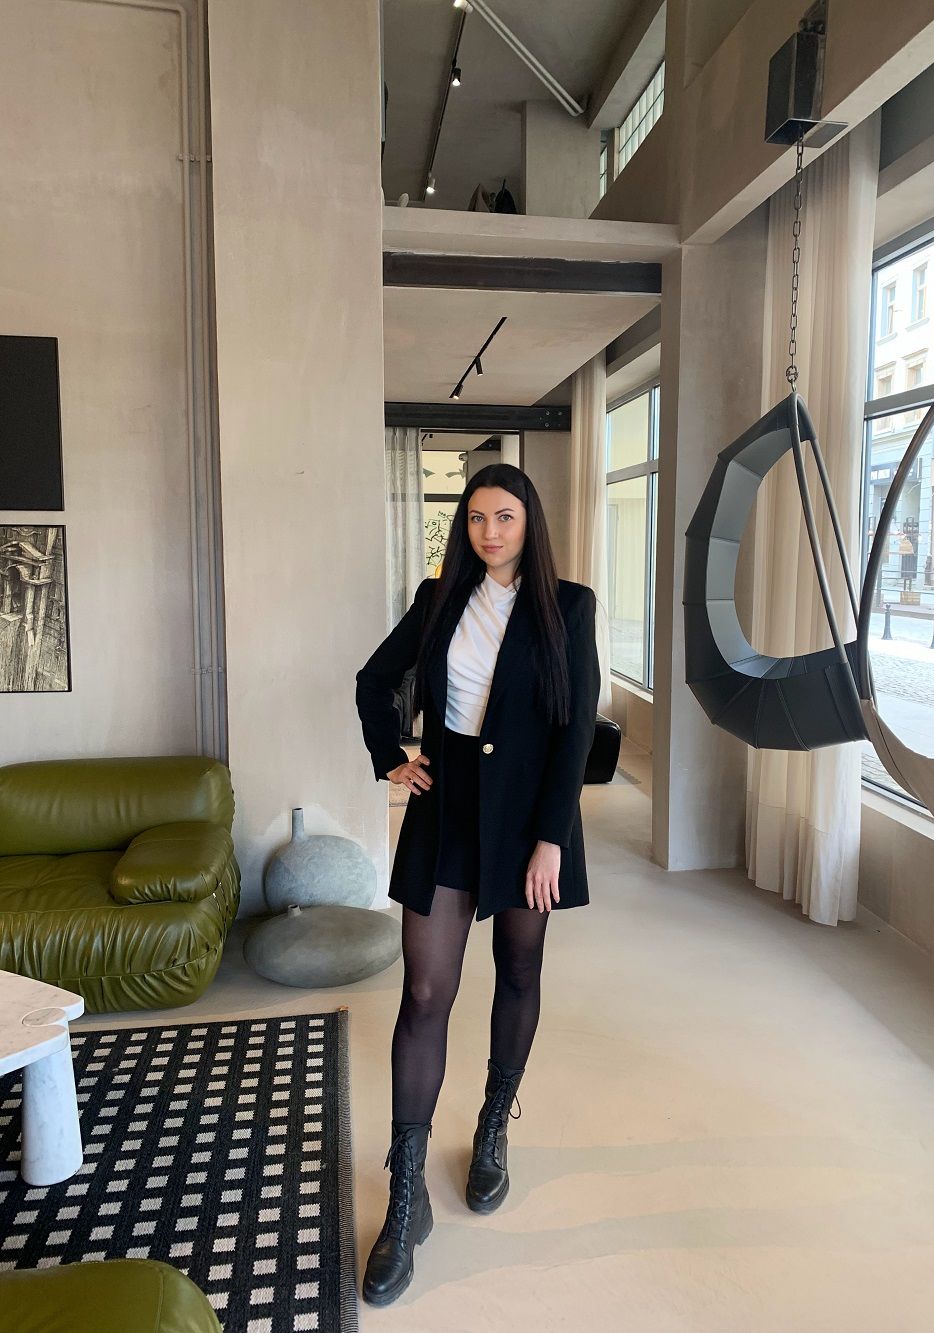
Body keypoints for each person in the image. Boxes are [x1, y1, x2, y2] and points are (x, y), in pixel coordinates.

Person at [354, 463, 600, 1307]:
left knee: (519, 969)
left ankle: (493, 1124)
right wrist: (392, 754)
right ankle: (407, 1192)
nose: (489, 532)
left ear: (529, 523)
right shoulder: (438, 600)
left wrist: (551, 839)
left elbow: (574, 729)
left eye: (504, 517)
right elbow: (373, 679)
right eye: (476, 519)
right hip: (448, 807)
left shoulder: (568, 606)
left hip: (529, 814)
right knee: (424, 991)